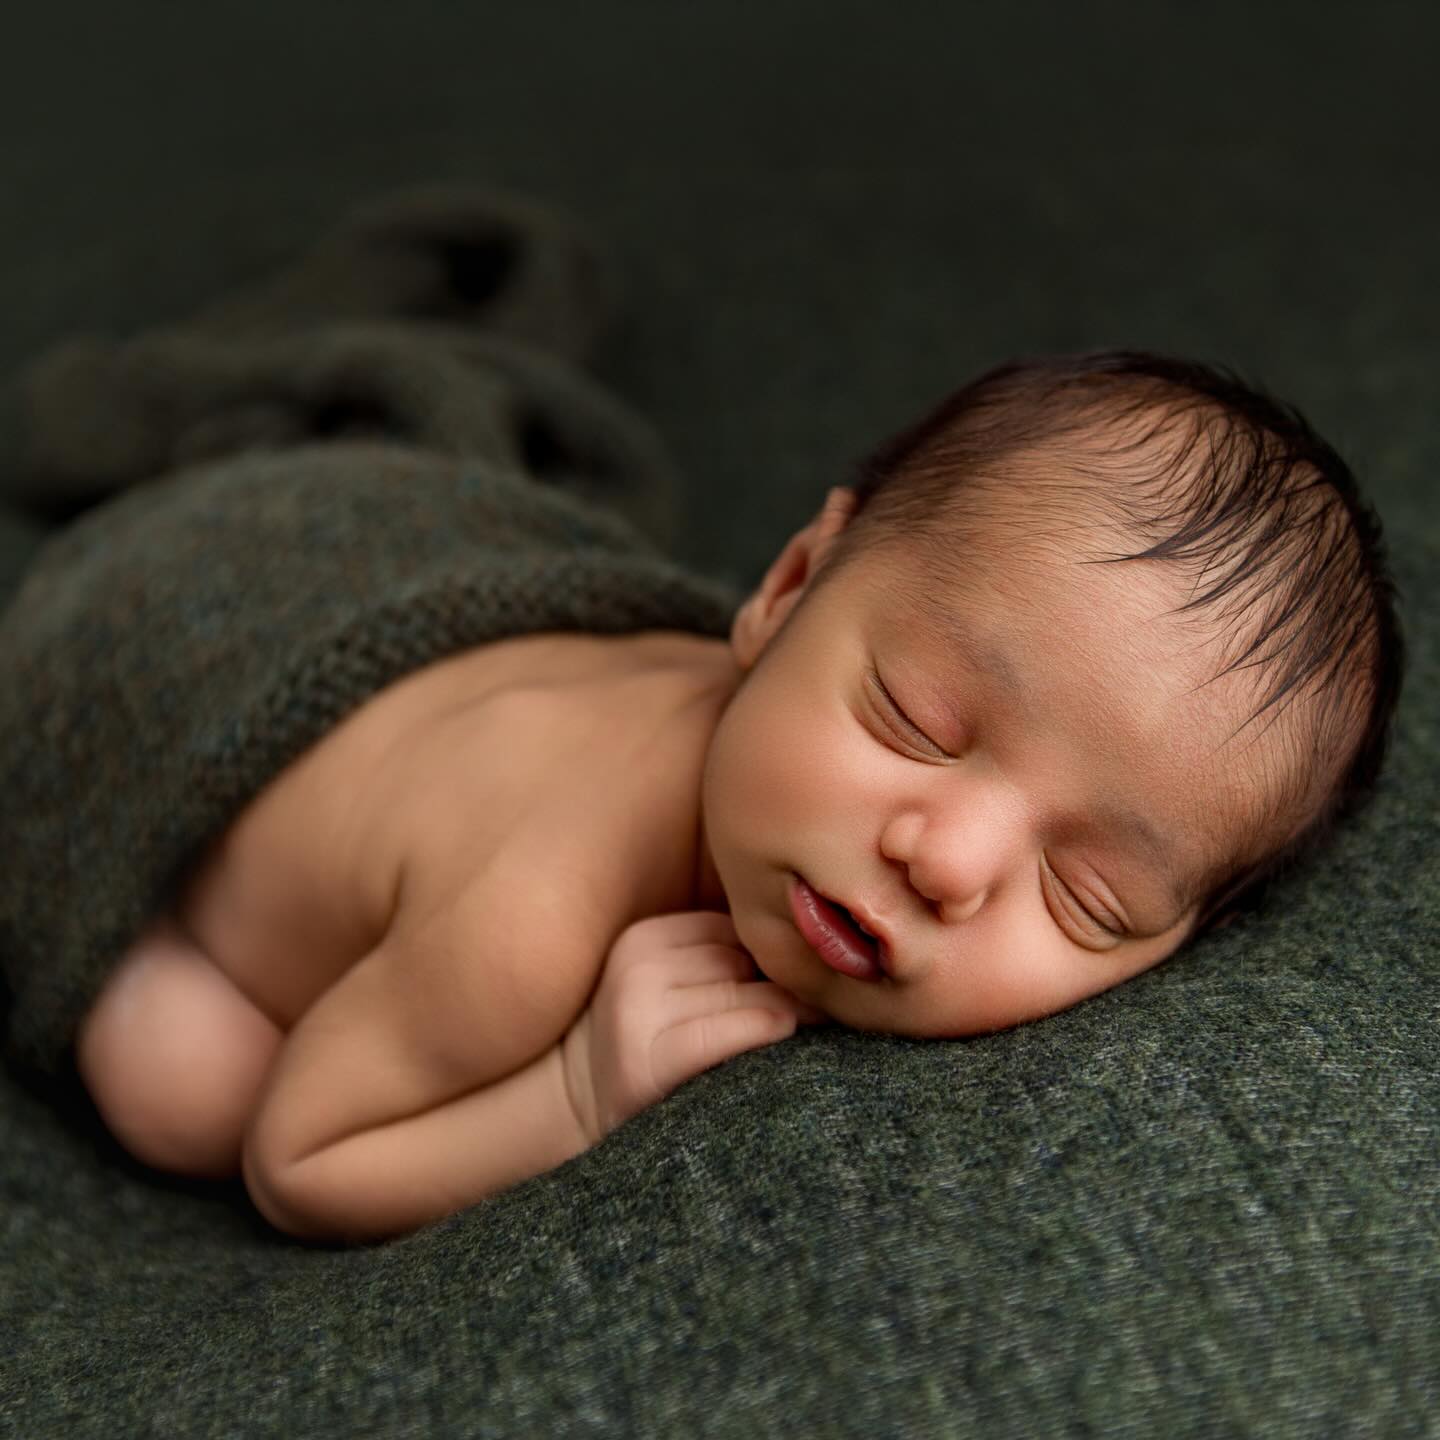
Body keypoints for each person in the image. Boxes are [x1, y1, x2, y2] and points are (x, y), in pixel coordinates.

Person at [74, 349, 1404, 1243]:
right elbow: (303, 1162)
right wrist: (583, 1091)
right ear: (779, 592)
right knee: (183, 1085)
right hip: (213, 631)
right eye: (917, 719)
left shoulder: (805, 737)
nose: (948, 862)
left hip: (467, 695)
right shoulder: (532, 910)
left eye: (1087, 895)